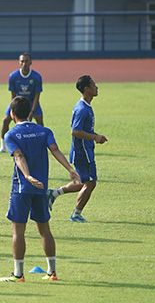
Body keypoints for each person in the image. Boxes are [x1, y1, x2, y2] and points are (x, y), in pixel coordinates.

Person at [0, 97, 79, 283]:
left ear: (12, 114)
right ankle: (52, 272)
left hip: (21, 189)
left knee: (18, 231)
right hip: (41, 189)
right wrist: (70, 169)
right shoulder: (44, 131)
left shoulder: (11, 135)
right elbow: (55, 149)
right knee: (45, 229)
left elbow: (18, 157)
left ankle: (18, 274)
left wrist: (26, 176)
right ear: (31, 113)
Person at [47, 75, 107, 222]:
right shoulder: (82, 109)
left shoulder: (85, 106)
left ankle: (53, 194)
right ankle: (76, 214)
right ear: (86, 89)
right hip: (83, 152)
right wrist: (94, 137)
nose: (96, 86)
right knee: (90, 183)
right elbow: (75, 131)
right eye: (93, 84)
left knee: (82, 182)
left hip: (85, 150)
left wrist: (96, 136)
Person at [0, 52, 43, 154]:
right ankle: (3, 147)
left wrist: (32, 111)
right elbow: (13, 96)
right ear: (19, 63)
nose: (24, 63)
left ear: (31, 62)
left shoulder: (36, 77)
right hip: (17, 103)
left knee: (40, 121)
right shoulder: (13, 76)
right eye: (22, 61)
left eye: (26, 61)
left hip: (32, 103)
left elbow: (37, 96)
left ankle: (42, 145)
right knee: (5, 120)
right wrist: (13, 109)